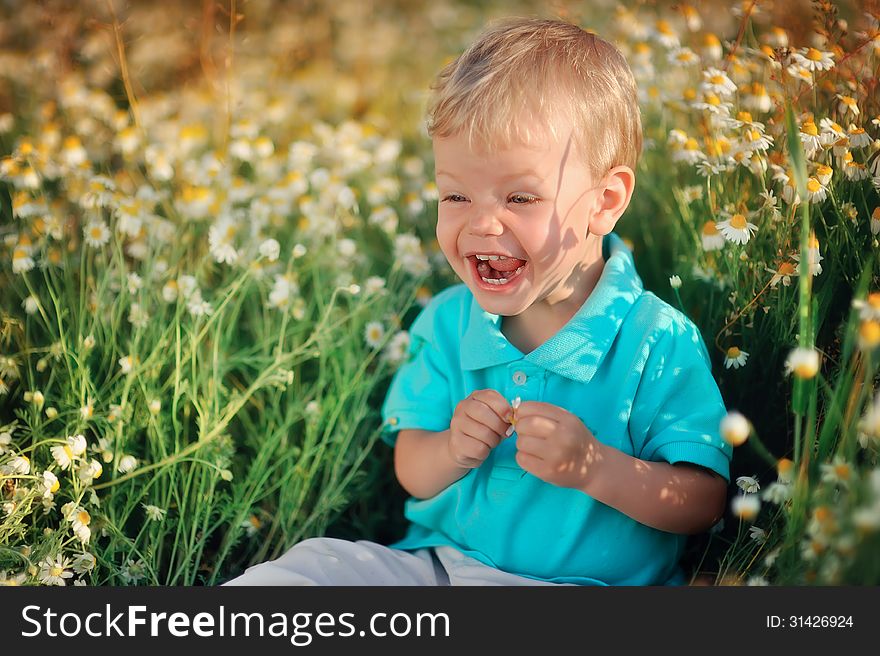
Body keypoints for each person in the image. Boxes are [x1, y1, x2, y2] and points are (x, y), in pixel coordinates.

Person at [223, 16, 731, 587]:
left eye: (520, 196)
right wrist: (451, 449)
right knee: (307, 571)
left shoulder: (655, 339)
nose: (483, 224)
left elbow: (702, 500)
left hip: (586, 591)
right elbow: (413, 469)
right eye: (456, 194)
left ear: (605, 201)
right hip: (444, 569)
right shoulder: (448, 320)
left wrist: (596, 468)